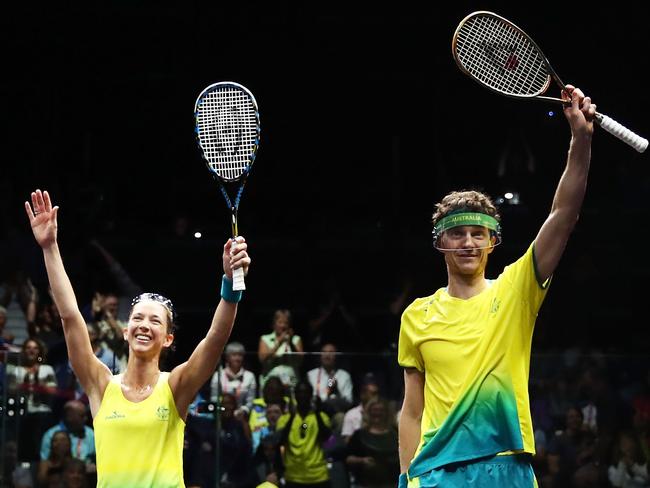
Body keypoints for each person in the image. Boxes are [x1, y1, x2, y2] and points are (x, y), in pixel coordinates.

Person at [398, 86, 596, 487]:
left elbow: (564, 214)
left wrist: (580, 141)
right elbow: (412, 412)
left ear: (492, 241)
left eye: (478, 233)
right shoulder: (416, 315)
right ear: (440, 242)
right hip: (438, 475)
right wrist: (406, 477)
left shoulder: (516, 290)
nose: (468, 242)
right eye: (458, 234)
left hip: (507, 468)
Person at [25, 189, 251, 488]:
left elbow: (216, 338)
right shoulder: (101, 385)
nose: (144, 325)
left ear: (168, 338)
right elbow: (70, 317)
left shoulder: (175, 387)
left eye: (155, 320)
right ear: (125, 330)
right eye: (138, 318)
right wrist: (50, 246)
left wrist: (232, 283)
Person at [277, 381, 332, 488]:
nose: (302, 396)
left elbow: (328, 441)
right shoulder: (285, 419)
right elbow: (280, 441)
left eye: (306, 392)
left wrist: (317, 412)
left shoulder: (322, 417)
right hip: (293, 476)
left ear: (311, 395)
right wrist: (292, 417)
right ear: (295, 395)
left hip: (318, 476)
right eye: (299, 392)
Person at [346, 397, 400, 488]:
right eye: (374, 410)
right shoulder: (359, 435)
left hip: (392, 483)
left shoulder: (396, 434)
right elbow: (348, 458)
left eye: (381, 410)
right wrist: (362, 461)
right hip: (365, 484)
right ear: (369, 412)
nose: (377, 413)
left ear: (386, 412)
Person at [258, 309, 304, 389]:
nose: (283, 326)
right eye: (280, 322)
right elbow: (262, 359)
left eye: (286, 323)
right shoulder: (265, 339)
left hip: (292, 383)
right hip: (270, 384)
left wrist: (290, 343)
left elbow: (300, 360)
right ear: (273, 324)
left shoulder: (296, 339)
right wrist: (279, 342)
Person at [40, 400, 95, 465]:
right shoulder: (51, 435)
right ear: (69, 416)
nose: (86, 418)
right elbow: (45, 463)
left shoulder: (89, 433)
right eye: (82, 416)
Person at [211, 341, 258, 417]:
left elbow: (250, 401)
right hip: (222, 415)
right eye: (234, 355)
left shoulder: (250, 376)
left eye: (240, 355)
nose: (237, 358)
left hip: (241, 416)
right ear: (227, 357)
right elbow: (214, 399)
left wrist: (243, 411)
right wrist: (222, 411)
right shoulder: (218, 375)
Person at [306, 343, 353, 416]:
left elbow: (349, 401)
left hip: (336, 412)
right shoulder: (311, 375)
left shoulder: (344, 375)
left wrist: (336, 390)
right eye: (324, 352)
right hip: (316, 412)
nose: (327, 355)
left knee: (340, 417)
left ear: (336, 356)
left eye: (331, 352)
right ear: (320, 355)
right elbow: (309, 399)